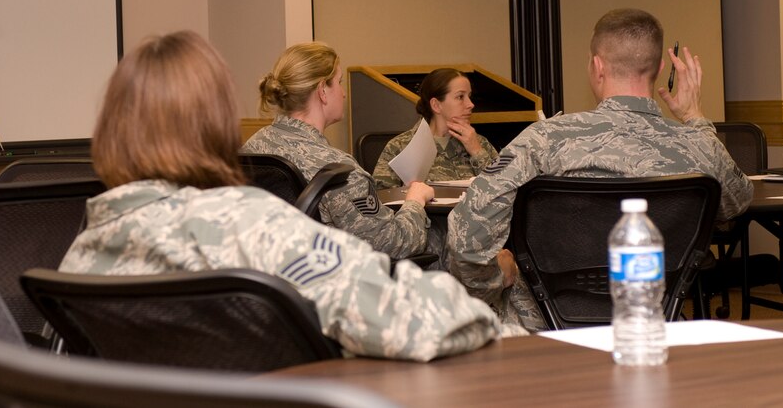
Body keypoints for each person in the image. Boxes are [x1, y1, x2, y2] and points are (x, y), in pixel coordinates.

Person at [59, 31, 515, 361]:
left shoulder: (80, 253)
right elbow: (413, 322)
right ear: (216, 123)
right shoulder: (252, 222)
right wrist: (483, 313)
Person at [447, 8, 754, 332]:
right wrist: (695, 118)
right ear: (660, 68)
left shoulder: (544, 140)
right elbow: (738, 201)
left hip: (546, 333)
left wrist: (494, 280)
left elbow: (467, 242)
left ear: (597, 67)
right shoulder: (697, 145)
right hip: (651, 326)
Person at [240, 43, 437, 261]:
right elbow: (389, 244)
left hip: (273, 277)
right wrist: (415, 202)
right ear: (323, 91)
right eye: (339, 83)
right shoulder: (338, 170)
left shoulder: (251, 147)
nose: (343, 94)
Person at [373, 67, 498, 189]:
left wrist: (477, 152)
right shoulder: (400, 146)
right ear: (436, 105)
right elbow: (382, 199)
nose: (471, 104)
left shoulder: (480, 143)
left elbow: (503, 193)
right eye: (460, 97)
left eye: (469, 96)